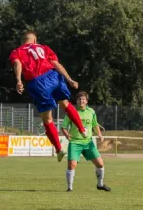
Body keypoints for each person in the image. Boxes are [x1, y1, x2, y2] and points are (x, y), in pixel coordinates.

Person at [9, 30, 88, 162]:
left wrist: (18, 80)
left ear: (23, 41)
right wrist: (69, 79)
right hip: (53, 76)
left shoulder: (17, 51)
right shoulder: (44, 48)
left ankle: (58, 149)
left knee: (47, 119)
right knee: (66, 104)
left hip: (38, 82)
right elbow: (56, 64)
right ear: (35, 40)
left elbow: (18, 64)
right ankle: (82, 129)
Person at [61, 91, 110, 192]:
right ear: (77, 101)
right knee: (71, 165)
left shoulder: (91, 112)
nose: (81, 101)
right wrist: (66, 134)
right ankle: (69, 187)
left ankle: (100, 184)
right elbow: (63, 127)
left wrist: (99, 134)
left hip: (88, 142)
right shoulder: (71, 111)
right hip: (75, 142)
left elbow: (95, 124)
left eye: (83, 99)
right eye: (79, 99)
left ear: (86, 101)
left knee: (100, 164)